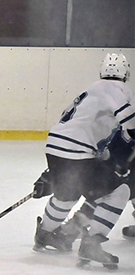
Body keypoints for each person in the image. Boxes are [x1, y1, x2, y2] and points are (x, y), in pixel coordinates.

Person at [32, 53, 135, 268]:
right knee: (118, 191)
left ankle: (46, 233)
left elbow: (77, 128)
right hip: (78, 152)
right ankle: (92, 243)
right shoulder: (117, 89)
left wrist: (54, 173)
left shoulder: (91, 90)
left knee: (66, 195)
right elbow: (130, 121)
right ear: (125, 73)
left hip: (56, 145)